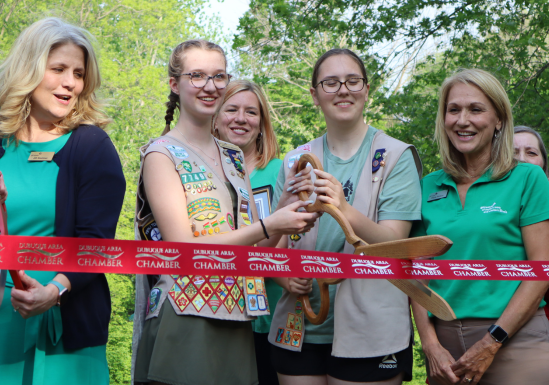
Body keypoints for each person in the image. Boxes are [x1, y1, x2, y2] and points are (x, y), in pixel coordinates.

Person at [0, 18, 126, 384]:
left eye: (78, 73)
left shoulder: (92, 147)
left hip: (65, 336)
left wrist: (54, 291)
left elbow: (97, 245)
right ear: (29, 69)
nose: (70, 82)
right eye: (58, 69)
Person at [132, 39, 319, 385]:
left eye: (219, 76)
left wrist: (285, 208)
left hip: (238, 316)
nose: (210, 86)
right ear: (175, 84)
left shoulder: (233, 156)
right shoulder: (161, 155)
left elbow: (251, 255)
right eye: (197, 75)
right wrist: (268, 223)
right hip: (186, 313)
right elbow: (184, 250)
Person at [269, 48, 422, 385]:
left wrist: (344, 208)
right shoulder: (296, 160)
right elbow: (273, 247)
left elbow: (396, 243)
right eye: (331, 83)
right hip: (300, 326)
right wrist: (284, 277)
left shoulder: (396, 156)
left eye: (353, 81)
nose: (343, 90)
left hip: (372, 331)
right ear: (314, 95)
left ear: (366, 90)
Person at [411, 69, 549, 385]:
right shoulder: (426, 186)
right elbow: (415, 273)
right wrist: (430, 344)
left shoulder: (528, 179)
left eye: (476, 109)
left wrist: (492, 341)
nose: (463, 120)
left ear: (499, 120)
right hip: (445, 351)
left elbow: (541, 269)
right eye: (454, 109)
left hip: (516, 341)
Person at [214, 79, 283, 385]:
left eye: (251, 112)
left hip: (276, 319)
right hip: (221, 313)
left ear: (262, 122)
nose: (241, 118)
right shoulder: (204, 175)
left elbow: (302, 237)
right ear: (215, 117)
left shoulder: (283, 171)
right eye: (231, 109)